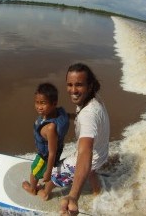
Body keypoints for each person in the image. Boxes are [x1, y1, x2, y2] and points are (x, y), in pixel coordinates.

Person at [37, 63, 110, 215]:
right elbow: (82, 117)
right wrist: (66, 116)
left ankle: (44, 194)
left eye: (79, 85)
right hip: (102, 153)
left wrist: (73, 195)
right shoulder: (93, 99)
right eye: (70, 84)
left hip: (91, 156)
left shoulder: (88, 115)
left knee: (54, 173)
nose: (73, 90)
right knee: (90, 169)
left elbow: (84, 152)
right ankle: (97, 192)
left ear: (89, 86)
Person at [22, 82, 70, 196]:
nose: (39, 107)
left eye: (43, 103)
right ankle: (48, 173)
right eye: (37, 102)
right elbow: (68, 116)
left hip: (45, 157)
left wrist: (48, 172)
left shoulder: (50, 128)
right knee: (49, 167)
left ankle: (33, 189)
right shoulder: (59, 113)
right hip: (58, 149)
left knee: (34, 172)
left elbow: (52, 153)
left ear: (54, 103)